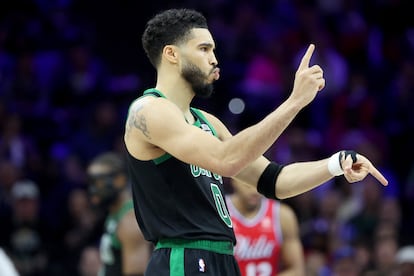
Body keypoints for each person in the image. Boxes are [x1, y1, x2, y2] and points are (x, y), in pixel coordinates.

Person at [123, 8, 388, 276]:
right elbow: (225, 160)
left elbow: (275, 181)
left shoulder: (208, 122)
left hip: (224, 257)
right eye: (204, 49)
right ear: (171, 54)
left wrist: (336, 163)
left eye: (214, 50)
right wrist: (295, 102)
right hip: (182, 256)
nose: (214, 59)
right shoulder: (148, 110)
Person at [87, 151, 151, 276]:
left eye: (99, 182)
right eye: (91, 182)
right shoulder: (115, 214)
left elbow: (137, 273)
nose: (94, 189)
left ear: (120, 180)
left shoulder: (130, 221)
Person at [226, 178, 305, 276]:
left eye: (257, 184)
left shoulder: (282, 215)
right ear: (234, 180)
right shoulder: (219, 212)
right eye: (247, 184)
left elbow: (296, 270)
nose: (254, 191)